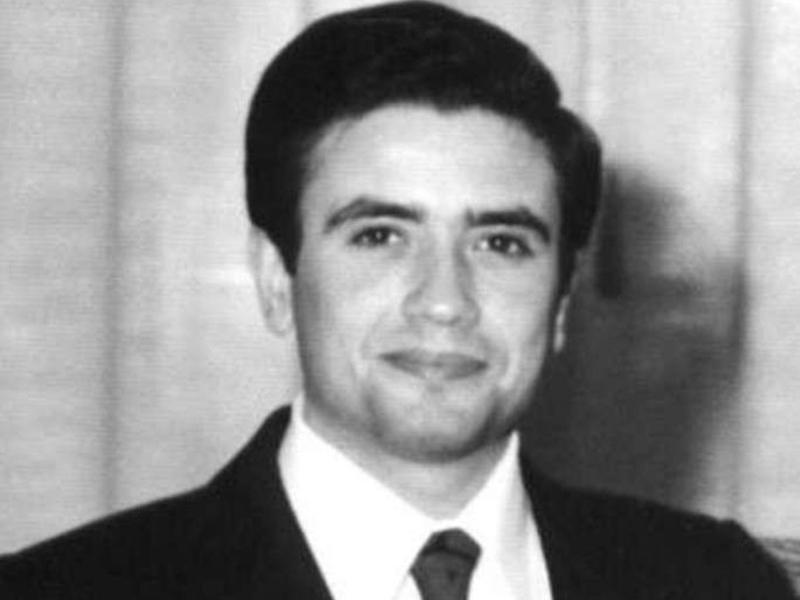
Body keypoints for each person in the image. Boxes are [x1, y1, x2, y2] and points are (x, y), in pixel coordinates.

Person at [0, 2, 794, 599]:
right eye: (380, 236)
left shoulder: (717, 582)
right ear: (277, 277)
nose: (444, 302)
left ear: (560, 302)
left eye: (501, 243)